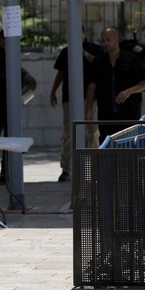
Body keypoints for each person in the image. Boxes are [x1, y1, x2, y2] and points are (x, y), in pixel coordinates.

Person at [0, 30, 36, 184]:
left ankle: (6, 173)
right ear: (1, 40)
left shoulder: (14, 55)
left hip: (12, 104)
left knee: (11, 140)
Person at [50, 26, 104, 182]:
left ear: (84, 34)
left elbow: (100, 65)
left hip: (90, 97)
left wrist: (86, 54)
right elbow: (60, 73)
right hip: (69, 97)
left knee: (92, 131)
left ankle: (95, 166)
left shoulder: (94, 49)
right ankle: (66, 168)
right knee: (68, 132)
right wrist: (53, 91)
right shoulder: (66, 52)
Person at [86, 27, 145, 141]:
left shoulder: (131, 59)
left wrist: (129, 91)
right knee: (107, 147)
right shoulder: (98, 62)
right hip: (106, 115)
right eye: (103, 40)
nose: (106, 43)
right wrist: (88, 109)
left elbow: (144, 83)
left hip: (129, 114)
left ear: (117, 39)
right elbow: (92, 86)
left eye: (108, 39)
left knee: (128, 148)